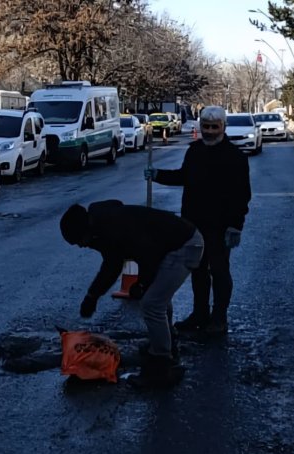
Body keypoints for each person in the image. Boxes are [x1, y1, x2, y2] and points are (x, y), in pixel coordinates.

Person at [60, 200, 204, 387]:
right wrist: (92, 295)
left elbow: (149, 255)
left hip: (184, 245)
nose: (81, 246)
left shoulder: (112, 226)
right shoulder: (100, 227)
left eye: (79, 241)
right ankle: (168, 343)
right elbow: (112, 265)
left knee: (152, 304)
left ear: (84, 230)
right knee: (157, 297)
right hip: (176, 243)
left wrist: (142, 284)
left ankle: (162, 366)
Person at [143, 105, 251, 334]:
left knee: (219, 271)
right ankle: (199, 314)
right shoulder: (194, 151)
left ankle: (219, 318)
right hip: (192, 225)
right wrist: (158, 175)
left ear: (223, 127)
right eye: (206, 127)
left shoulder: (235, 157)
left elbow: (242, 195)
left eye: (215, 127)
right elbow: (184, 177)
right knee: (198, 271)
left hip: (220, 226)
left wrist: (235, 226)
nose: (210, 131)